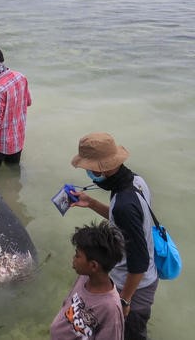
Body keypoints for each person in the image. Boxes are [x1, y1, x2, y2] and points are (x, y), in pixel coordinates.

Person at [69, 132, 158, 340]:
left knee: (130, 335)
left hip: (135, 287)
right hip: (143, 278)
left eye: (90, 169)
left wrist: (125, 300)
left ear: (104, 168)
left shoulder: (124, 205)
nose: (89, 174)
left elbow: (139, 261)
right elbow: (124, 221)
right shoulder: (135, 181)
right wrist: (91, 203)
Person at [50, 221, 125, 340]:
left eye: (77, 255)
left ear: (93, 266)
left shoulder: (110, 309)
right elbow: (68, 303)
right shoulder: (84, 277)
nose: (73, 258)